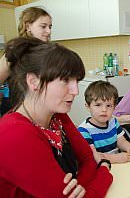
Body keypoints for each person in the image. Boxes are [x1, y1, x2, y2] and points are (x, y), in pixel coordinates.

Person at [0, 37, 113, 197]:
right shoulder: (15, 134)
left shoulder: (57, 116)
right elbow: (93, 164)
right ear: (34, 82)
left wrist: (77, 185)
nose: (75, 91)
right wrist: (104, 169)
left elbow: (88, 159)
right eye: (66, 80)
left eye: (76, 80)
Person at [0, 7, 52, 115]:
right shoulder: (16, 50)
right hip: (19, 109)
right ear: (28, 26)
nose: (48, 31)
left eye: (50, 26)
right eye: (43, 26)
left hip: (42, 109)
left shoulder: (47, 51)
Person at [78, 80, 130, 164]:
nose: (104, 110)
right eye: (98, 105)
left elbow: (121, 141)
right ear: (88, 106)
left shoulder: (113, 121)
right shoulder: (84, 130)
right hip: (100, 167)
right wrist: (115, 158)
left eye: (109, 106)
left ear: (114, 107)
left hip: (118, 164)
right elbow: (92, 156)